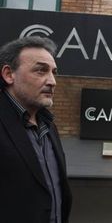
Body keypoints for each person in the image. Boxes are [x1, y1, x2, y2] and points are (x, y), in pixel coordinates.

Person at [0, 36, 72, 223]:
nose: (52, 81)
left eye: (54, 72)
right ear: (9, 74)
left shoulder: (49, 127)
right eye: (41, 71)